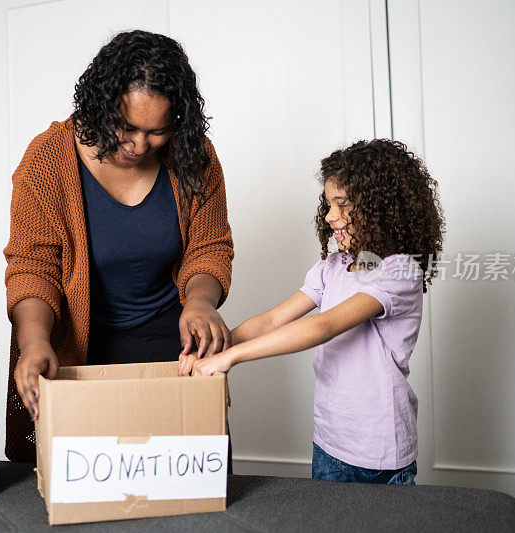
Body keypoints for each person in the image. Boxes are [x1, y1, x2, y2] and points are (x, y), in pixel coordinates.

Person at [3, 30, 234, 462]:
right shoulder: (47, 162)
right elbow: (33, 267)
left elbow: (209, 248)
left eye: (157, 132)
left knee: (190, 478)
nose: (139, 145)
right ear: (101, 103)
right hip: (81, 348)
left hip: (174, 344)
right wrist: (34, 342)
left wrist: (200, 303)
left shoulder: (194, 156)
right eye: (127, 127)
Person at [182, 139, 445, 484]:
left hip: (380, 452)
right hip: (329, 444)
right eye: (328, 204)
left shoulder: (399, 272)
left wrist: (231, 358)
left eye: (342, 205)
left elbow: (323, 326)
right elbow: (272, 320)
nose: (329, 216)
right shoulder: (332, 267)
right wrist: (213, 349)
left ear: (380, 207)